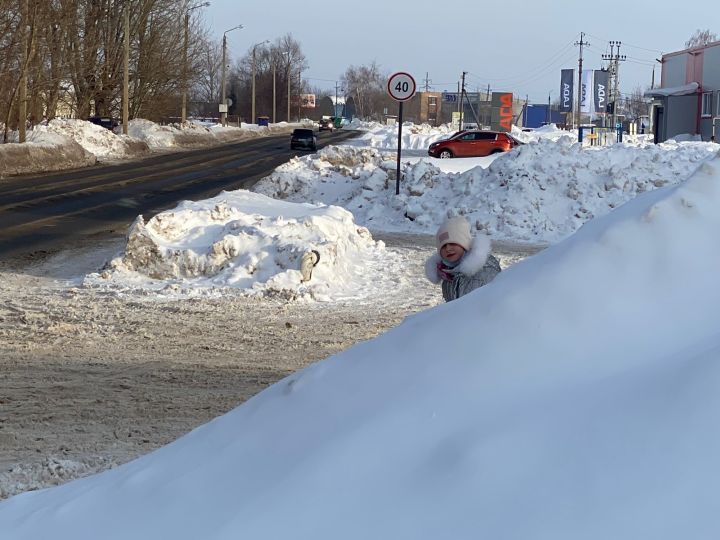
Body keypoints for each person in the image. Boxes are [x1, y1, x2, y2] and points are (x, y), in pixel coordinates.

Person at [425, 216, 501, 302]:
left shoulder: (485, 271)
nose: (448, 249)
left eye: (452, 243)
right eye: (443, 246)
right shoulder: (448, 274)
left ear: (464, 244)